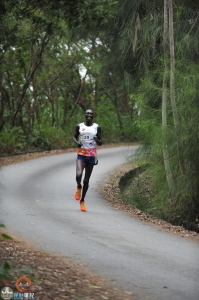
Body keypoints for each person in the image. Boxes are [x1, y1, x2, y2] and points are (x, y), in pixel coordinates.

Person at [73, 109, 102, 211]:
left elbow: (101, 142)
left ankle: (82, 201)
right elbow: (74, 137)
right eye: (87, 113)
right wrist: (77, 142)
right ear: (85, 115)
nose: (89, 115)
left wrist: (97, 140)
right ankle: (78, 187)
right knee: (78, 175)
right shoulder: (80, 126)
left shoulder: (97, 127)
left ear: (93, 115)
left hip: (91, 155)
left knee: (86, 180)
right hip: (81, 154)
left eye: (91, 113)